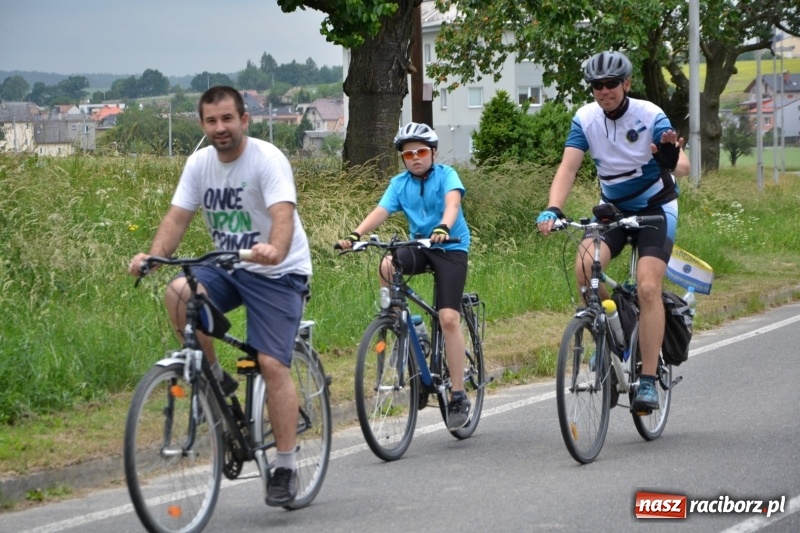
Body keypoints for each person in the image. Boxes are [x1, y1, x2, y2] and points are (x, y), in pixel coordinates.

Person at [128, 86, 311, 507]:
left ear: (244, 120)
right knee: (178, 292)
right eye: (211, 121)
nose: (220, 128)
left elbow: (283, 214)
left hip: (277, 271)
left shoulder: (267, 160)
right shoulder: (199, 164)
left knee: (270, 362)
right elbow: (177, 217)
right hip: (229, 265)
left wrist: (275, 250)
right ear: (202, 124)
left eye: (228, 119)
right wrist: (154, 256)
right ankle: (214, 374)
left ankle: (284, 464)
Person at [536, 51, 690, 412]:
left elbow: (680, 161)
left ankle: (649, 379)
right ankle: (614, 340)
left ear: (626, 84)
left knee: (650, 286)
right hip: (615, 210)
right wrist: (554, 208)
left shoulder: (650, 114)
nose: (603, 91)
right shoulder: (585, 119)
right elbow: (568, 168)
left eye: (610, 84)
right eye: (596, 85)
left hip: (656, 208)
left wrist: (670, 162)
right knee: (585, 267)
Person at [337, 122, 473, 429]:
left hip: (450, 246)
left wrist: (444, 227)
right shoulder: (400, 183)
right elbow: (381, 211)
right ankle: (397, 320)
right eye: (408, 154)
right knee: (386, 264)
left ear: (433, 153)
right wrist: (356, 234)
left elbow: (453, 203)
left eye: (421, 152)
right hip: (420, 246)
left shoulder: (447, 176)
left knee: (448, 318)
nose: (415, 158)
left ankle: (457, 395)